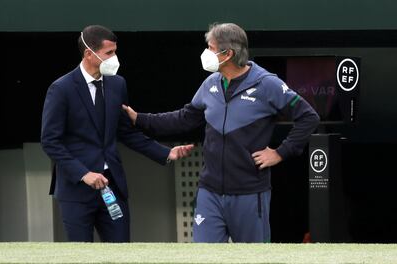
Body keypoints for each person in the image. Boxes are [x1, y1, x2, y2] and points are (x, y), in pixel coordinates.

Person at [122, 23, 320, 243]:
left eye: (210, 47)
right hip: (210, 192)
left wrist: (281, 152)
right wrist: (140, 119)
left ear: (228, 54)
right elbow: (184, 118)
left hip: (249, 193)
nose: (206, 53)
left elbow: (309, 117)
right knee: (204, 257)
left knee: (253, 260)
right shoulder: (211, 83)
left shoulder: (267, 84)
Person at [41, 25, 193, 242]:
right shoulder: (61, 88)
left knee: (121, 251)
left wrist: (166, 153)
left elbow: (126, 132)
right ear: (88, 54)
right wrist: (84, 174)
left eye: (115, 51)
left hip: (113, 187)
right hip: (76, 190)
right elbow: (50, 141)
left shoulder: (117, 84)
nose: (115, 58)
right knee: (81, 255)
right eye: (109, 53)